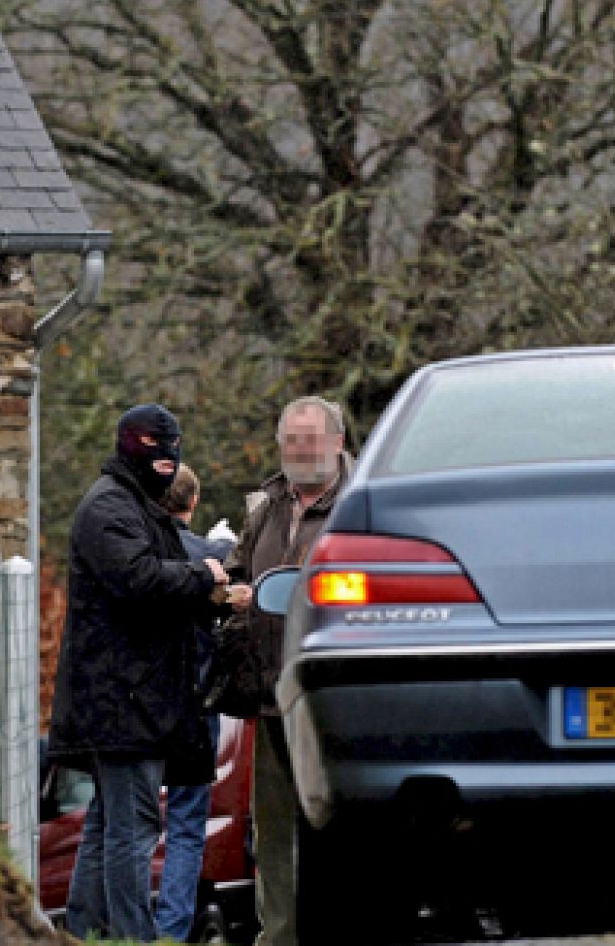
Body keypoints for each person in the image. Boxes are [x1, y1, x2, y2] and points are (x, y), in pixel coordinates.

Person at [48, 404, 233, 943]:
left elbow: (154, 579)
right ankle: (132, 937)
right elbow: (140, 580)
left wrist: (204, 586)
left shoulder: (131, 505)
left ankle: (88, 931)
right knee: (133, 828)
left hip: (132, 697)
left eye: (171, 447)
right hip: (123, 699)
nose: (166, 457)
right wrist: (204, 576)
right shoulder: (111, 508)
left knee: (109, 824)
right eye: (155, 446)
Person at [224, 396, 351, 946]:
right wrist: (228, 588)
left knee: (336, 821)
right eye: (292, 441)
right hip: (270, 692)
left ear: (338, 442)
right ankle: (277, 938)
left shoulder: (360, 502)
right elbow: (239, 568)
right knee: (272, 830)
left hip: (335, 695)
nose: (302, 451)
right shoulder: (267, 504)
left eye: (312, 439)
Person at [154, 464, 236, 941]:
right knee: (187, 824)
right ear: (192, 503)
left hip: (146, 703)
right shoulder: (210, 554)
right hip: (195, 704)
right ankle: (172, 931)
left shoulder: (139, 550)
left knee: (134, 822)